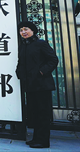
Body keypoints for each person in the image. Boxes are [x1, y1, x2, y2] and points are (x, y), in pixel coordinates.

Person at [15, 21, 59, 149]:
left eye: (26, 29)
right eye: (21, 30)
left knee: (43, 114)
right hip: (30, 85)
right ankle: (36, 138)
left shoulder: (41, 44)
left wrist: (42, 71)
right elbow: (21, 62)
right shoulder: (24, 45)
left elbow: (53, 59)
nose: (23, 32)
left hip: (42, 85)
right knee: (34, 113)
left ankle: (43, 141)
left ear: (33, 31)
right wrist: (19, 73)